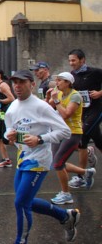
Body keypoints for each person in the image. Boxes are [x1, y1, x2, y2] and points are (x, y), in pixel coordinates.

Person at [4, 70, 79, 243]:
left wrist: (40, 139)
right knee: (24, 200)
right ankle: (66, 217)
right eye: (15, 82)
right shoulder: (13, 107)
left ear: (32, 84)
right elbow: (9, 128)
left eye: (22, 82)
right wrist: (10, 135)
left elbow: (65, 131)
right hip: (23, 158)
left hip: (39, 160)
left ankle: (20, 241)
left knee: (21, 203)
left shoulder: (41, 106)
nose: (17, 86)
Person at [46, 72, 95, 205]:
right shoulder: (59, 93)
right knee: (56, 163)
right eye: (56, 80)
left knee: (57, 164)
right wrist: (48, 97)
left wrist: (56, 100)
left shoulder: (75, 96)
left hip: (72, 133)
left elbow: (66, 114)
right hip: (59, 132)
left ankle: (66, 194)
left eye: (60, 80)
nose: (57, 83)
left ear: (68, 82)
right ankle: (86, 172)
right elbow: (48, 109)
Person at [67, 49, 102, 189]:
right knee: (99, 142)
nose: (71, 63)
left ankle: (81, 176)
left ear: (82, 60)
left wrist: (100, 93)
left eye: (74, 60)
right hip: (82, 112)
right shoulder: (72, 75)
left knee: (81, 138)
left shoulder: (95, 72)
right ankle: (82, 174)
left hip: (96, 110)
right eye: (70, 60)